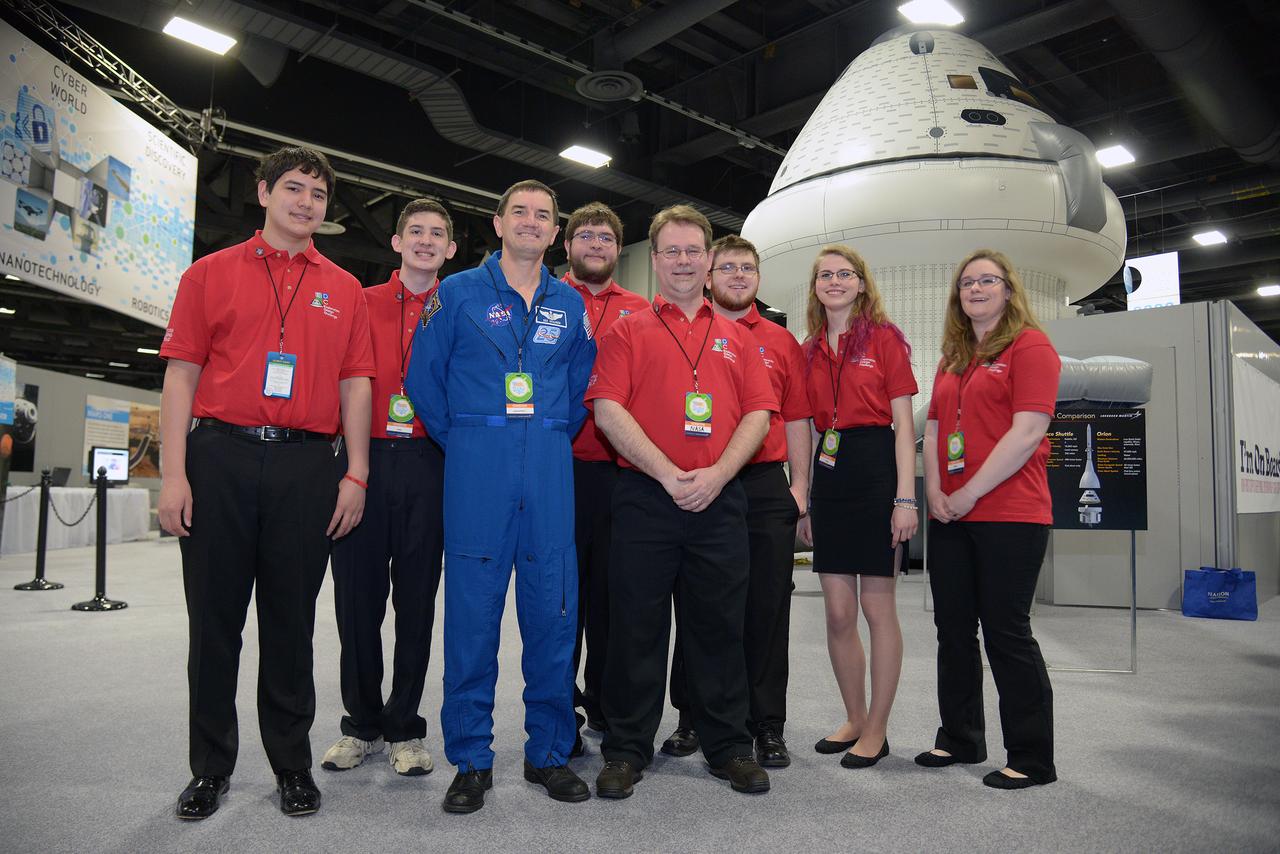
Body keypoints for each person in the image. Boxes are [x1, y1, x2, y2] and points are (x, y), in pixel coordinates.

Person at [158, 146, 374, 819]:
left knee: (291, 624)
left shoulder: (344, 288)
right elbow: (181, 376)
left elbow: (356, 384)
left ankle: (291, 765)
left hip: (306, 466)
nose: (306, 202)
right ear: (263, 193)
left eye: (318, 193)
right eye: (294, 188)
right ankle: (209, 769)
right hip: (219, 458)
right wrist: (173, 474)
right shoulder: (208, 273)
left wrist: (357, 473)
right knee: (213, 625)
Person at [404, 180, 596, 813]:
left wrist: (542, 434)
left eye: (543, 215)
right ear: (498, 222)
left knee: (553, 614)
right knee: (472, 619)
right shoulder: (455, 294)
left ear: (554, 231)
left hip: (548, 469)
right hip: (476, 471)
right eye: (520, 212)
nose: (531, 222)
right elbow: (423, 383)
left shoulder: (569, 304)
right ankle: (471, 759)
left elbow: (579, 391)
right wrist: (470, 438)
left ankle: (549, 752)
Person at [588, 205, 778, 799]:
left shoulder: (738, 337)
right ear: (654, 258)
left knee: (719, 627)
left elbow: (758, 414)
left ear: (709, 259)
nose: (684, 261)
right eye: (671, 251)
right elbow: (607, 410)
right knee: (635, 627)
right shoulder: (627, 330)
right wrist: (669, 474)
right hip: (646, 497)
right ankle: (626, 748)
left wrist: (717, 474)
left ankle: (728, 746)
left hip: (719, 499)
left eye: (694, 251)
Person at [662, 235, 811, 769]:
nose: (738, 275)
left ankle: (766, 724)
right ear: (708, 275)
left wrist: (800, 489)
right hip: (704, 481)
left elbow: (797, 417)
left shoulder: (780, 341)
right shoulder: (685, 333)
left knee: (768, 607)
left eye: (747, 267)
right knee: (698, 602)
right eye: (727, 267)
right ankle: (692, 716)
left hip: (764, 484)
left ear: (758, 278)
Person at [321, 199, 456, 777]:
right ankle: (361, 723)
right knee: (356, 601)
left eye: (437, 234)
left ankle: (404, 726)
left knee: (417, 602)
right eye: (415, 231)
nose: (425, 240)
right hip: (364, 459)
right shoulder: (359, 300)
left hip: (431, 462)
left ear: (451, 249)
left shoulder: (460, 307)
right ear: (397, 242)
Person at [917, 248, 1060, 789]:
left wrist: (970, 492)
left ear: (1008, 289)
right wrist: (936, 490)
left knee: (1006, 631)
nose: (975, 289)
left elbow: (1028, 432)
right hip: (950, 513)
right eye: (967, 283)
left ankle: (1032, 757)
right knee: (953, 629)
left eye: (987, 281)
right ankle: (960, 737)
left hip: (1010, 512)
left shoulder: (1031, 345)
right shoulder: (953, 356)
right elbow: (934, 427)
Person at [797, 245, 918, 769]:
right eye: (825, 275)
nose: (835, 281)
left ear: (862, 284)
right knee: (839, 612)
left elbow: (904, 427)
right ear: (815, 287)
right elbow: (805, 429)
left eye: (845, 274)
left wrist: (905, 498)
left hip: (875, 471)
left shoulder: (885, 339)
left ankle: (878, 729)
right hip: (830, 475)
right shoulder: (807, 350)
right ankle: (854, 716)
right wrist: (804, 498)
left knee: (876, 607)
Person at [561, 202, 651, 745]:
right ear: (567, 245)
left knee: (615, 595)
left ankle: (605, 702)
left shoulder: (641, 310)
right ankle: (560, 706)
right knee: (562, 597)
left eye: (606, 238)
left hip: (623, 474)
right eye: (586, 235)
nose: (596, 244)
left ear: (619, 250)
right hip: (561, 470)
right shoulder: (545, 300)